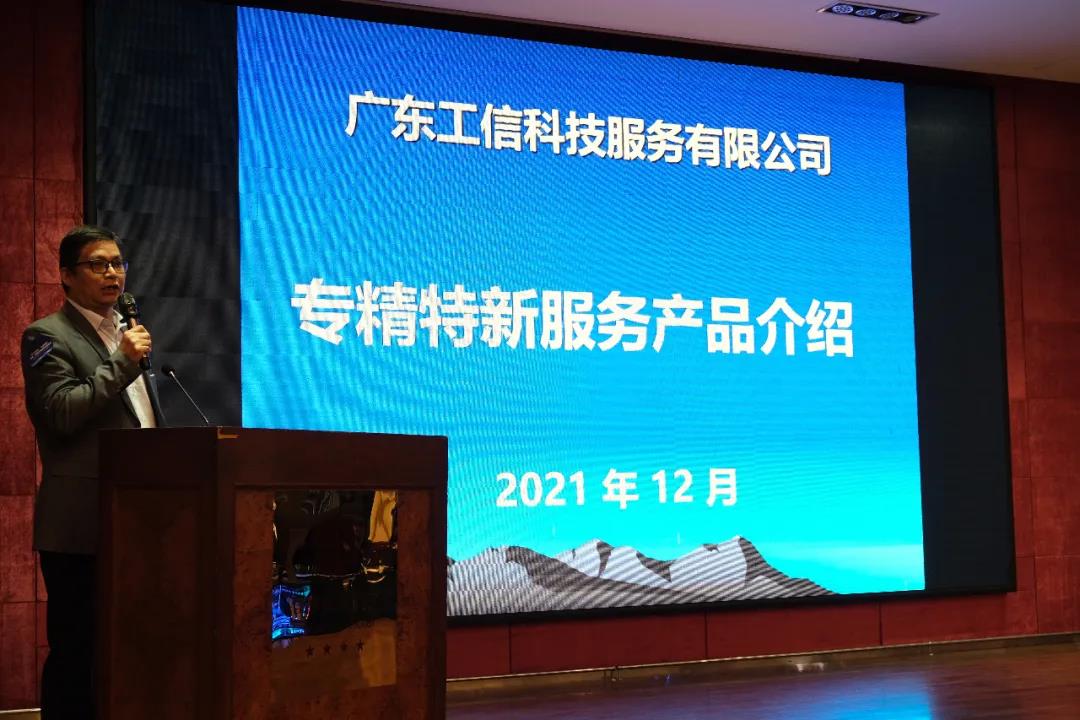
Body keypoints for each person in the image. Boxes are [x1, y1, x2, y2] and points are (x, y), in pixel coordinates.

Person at [20, 225, 165, 719]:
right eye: (97, 264)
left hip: (137, 520)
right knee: (78, 652)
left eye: (118, 263)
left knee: (132, 646)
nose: (112, 273)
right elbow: (60, 413)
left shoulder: (128, 333)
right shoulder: (47, 336)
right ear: (66, 275)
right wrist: (121, 363)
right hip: (80, 526)